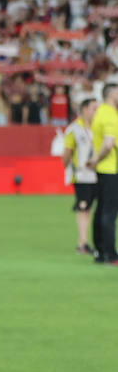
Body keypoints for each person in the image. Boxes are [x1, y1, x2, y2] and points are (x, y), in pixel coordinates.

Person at [62, 98, 99, 255]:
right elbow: (67, 152)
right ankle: (82, 242)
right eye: (93, 108)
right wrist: (70, 170)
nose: (96, 111)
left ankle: (87, 242)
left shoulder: (97, 126)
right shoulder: (74, 129)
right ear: (84, 109)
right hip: (81, 175)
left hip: (97, 174)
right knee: (83, 208)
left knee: (91, 209)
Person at [90, 83, 118, 264]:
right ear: (111, 94)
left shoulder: (100, 113)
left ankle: (100, 251)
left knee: (101, 210)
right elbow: (108, 143)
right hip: (111, 168)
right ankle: (110, 254)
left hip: (103, 170)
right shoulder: (110, 115)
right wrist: (96, 159)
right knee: (109, 212)